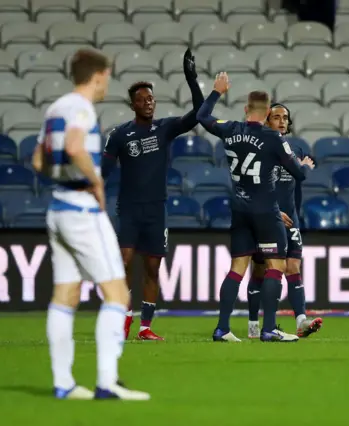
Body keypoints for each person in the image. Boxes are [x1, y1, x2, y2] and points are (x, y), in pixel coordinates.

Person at [32, 49, 149, 400]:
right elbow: (74, 146)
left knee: (65, 295)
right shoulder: (81, 108)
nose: (107, 84)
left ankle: (63, 383)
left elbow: (38, 160)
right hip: (82, 209)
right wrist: (94, 183)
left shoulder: (56, 108)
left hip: (58, 207)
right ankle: (107, 381)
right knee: (116, 292)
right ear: (98, 76)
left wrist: (64, 177)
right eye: (107, 77)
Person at [197, 72, 315, 342]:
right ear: (266, 112)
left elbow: (202, 117)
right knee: (276, 265)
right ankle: (270, 328)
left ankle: (222, 328)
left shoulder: (229, 129)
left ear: (245, 109)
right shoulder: (274, 138)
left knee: (237, 267)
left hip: (239, 209)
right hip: (266, 211)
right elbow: (300, 175)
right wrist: (306, 166)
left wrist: (217, 92)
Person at [101, 48, 204, 341]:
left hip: (157, 210)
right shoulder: (119, 135)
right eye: (143, 100)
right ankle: (123, 316)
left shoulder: (165, 128)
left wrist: (191, 79)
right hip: (130, 209)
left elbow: (197, 114)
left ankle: (145, 328)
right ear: (132, 105)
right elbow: (105, 170)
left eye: (151, 99)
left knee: (153, 268)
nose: (149, 103)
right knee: (122, 262)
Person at [247, 103, 323, 339]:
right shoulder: (258, 148)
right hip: (266, 218)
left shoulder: (296, 148)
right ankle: (253, 324)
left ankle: (301, 320)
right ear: (267, 121)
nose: (281, 121)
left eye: (285, 118)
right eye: (276, 117)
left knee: (293, 266)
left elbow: (298, 181)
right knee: (260, 270)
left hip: (291, 218)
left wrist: (295, 213)